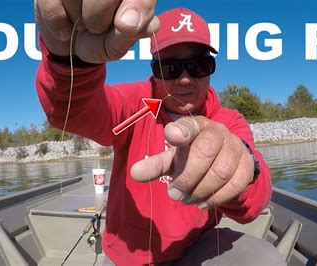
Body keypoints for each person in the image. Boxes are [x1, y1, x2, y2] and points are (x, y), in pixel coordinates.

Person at [34, 1, 284, 265]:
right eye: (170, 68)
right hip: (126, 256)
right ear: (154, 71)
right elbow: (74, 111)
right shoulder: (134, 105)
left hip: (195, 250)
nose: (184, 79)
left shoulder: (228, 122)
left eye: (198, 65)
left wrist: (242, 166)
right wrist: (70, 61)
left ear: (212, 68)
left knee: (264, 258)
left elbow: (253, 205)